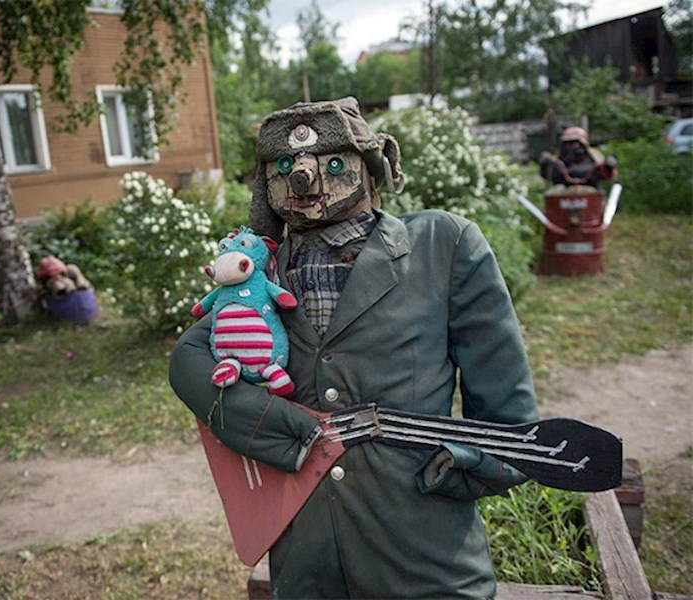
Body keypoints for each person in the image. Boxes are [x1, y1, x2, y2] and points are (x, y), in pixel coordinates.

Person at [170, 97, 539, 599]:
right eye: (284, 167)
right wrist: (284, 434)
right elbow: (188, 360)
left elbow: (511, 423)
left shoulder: (444, 246)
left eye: (333, 163)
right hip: (308, 565)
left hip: (428, 561)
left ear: (370, 165)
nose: (304, 178)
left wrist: (454, 470)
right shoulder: (258, 274)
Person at [539, 126, 618, 189]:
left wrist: (610, 165)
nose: (574, 146)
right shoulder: (558, 159)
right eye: (569, 143)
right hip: (563, 197)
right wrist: (544, 165)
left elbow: (608, 173)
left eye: (576, 142)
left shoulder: (594, 156)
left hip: (591, 196)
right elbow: (547, 174)